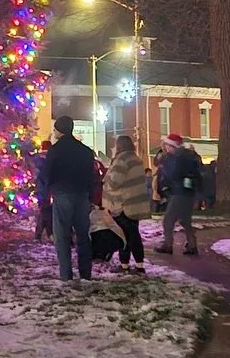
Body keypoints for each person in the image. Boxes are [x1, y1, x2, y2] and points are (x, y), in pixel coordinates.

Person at [40, 114, 96, 281]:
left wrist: (44, 196)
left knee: (62, 236)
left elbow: (47, 175)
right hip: (82, 195)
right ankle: (85, 273)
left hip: (62, 194)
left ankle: (66, 274)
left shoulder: (55, 151)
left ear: (60, 130)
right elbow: (91, 176)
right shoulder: (86, 151)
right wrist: (90, 196)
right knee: (83, 235)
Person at [103, 134, 149, 274]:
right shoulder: (136, 159)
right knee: (134, 234)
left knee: (125, 236)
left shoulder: (121, 160)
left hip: (123, 204)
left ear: (119, 145)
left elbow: (115, 182)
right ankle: (139, 264)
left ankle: (124, 264)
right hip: (135, 203)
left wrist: (106, 176)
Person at [153, 134, 203, 256]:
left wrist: (164, 163)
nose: (165, 148)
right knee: (185, 220)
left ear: (172, 146)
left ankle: (168, 244)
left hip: (179, 192)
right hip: (187, 192)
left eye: (166, 145)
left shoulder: (176, 158)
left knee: (168, 220)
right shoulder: (187, 156)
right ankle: (192, 244)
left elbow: (173, 174)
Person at [32, 140, 52, 241]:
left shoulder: (37, 159)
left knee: (44, 211)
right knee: (46, 212)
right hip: (47, 190)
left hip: (41, 190)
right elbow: (47, 177)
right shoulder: (48, 160)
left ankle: (42, 233)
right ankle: (45, 233)